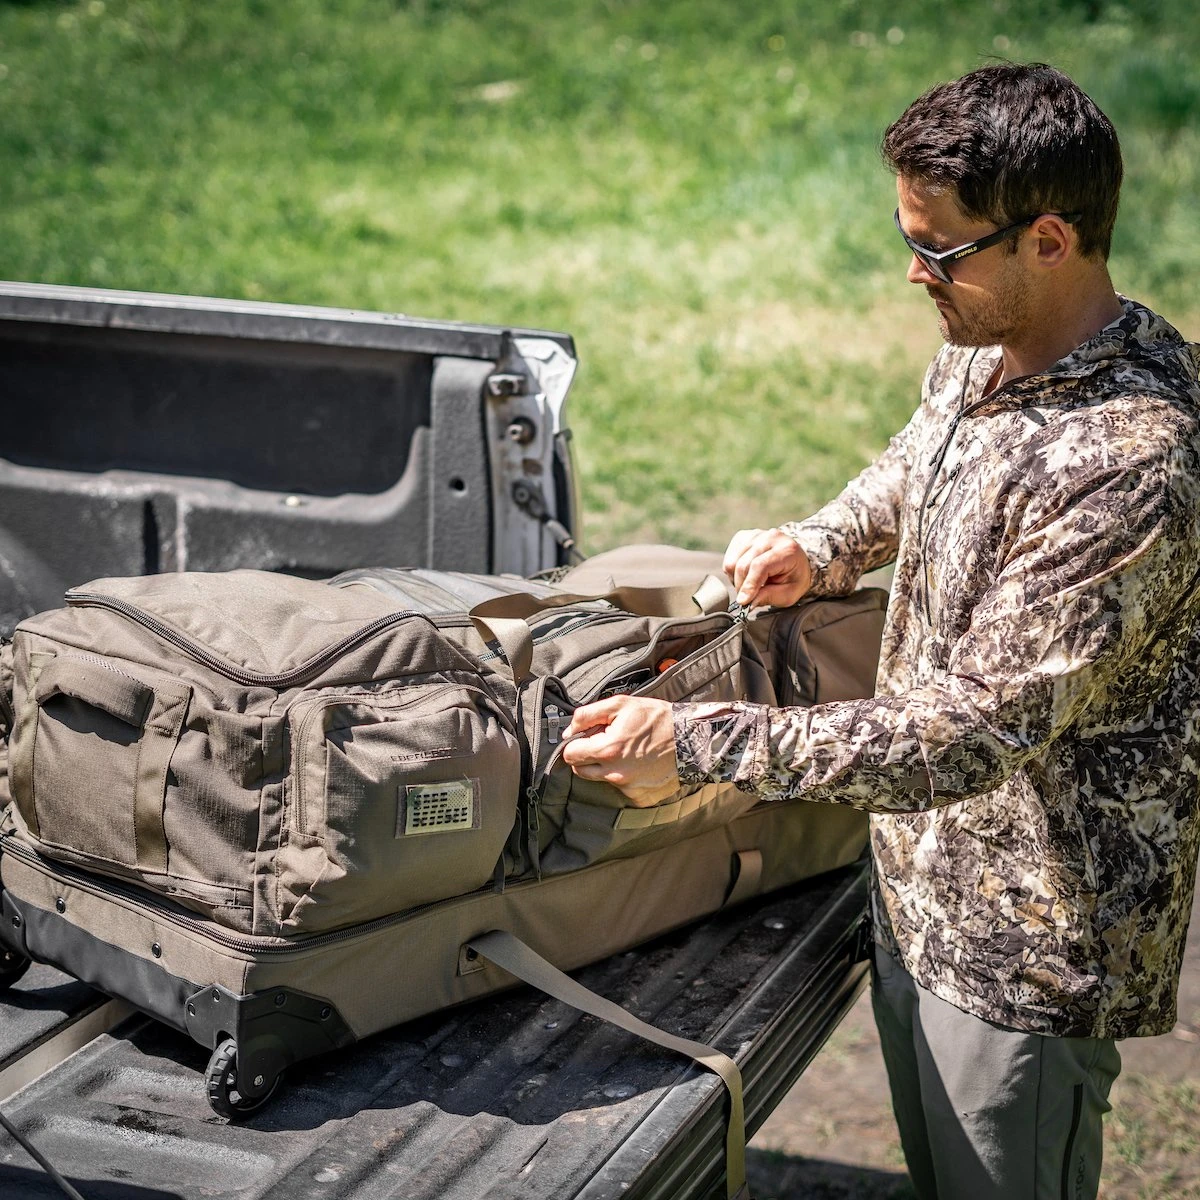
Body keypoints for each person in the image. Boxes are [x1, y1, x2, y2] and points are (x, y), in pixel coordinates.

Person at [561, 63, 1200, 1200]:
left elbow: (969, 735)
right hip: (916, 885)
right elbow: (920, 465)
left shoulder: (1131, 464)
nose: (915, 271)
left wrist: (695, 743)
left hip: (1020, 956)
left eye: (939, 249)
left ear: (1050, 240)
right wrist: (825, 542)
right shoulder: (988, 340)